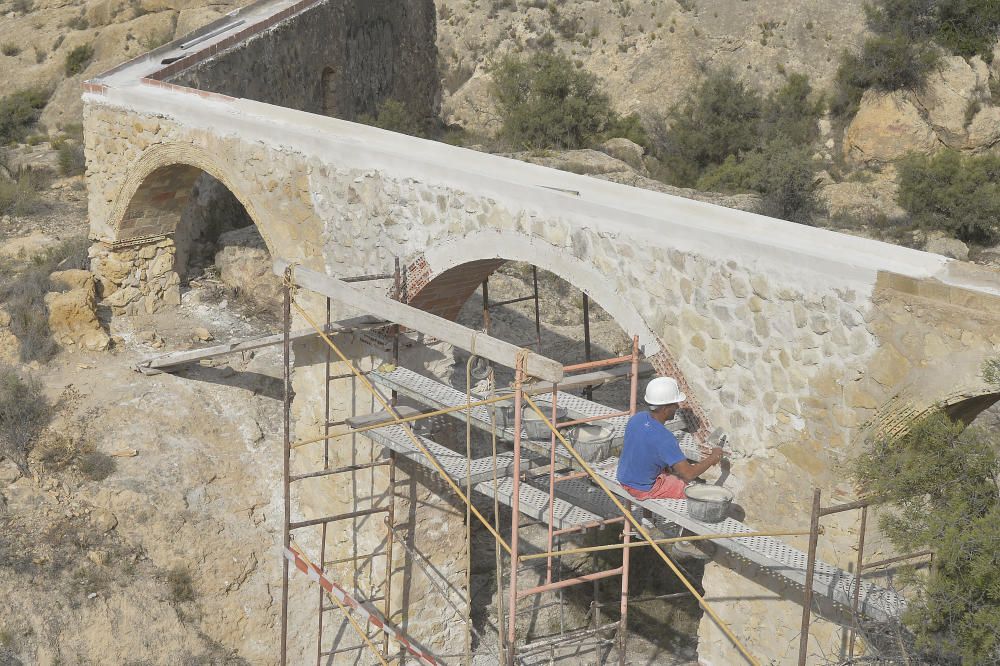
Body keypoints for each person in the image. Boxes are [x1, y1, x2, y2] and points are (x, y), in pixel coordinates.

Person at [616, 376, 724, 500]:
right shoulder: (665, 438)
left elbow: (644, 449)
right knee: (690, 491)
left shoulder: (637, 418)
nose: (677, 407)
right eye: (675, 404)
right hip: (641, 488)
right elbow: (689, 474)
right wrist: (713, 457)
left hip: (624, 477)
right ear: (665, 408)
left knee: (673, 472)